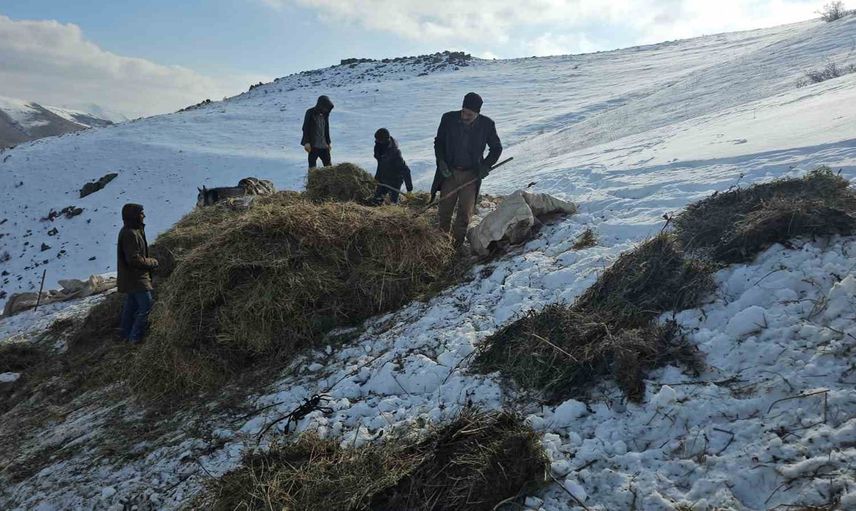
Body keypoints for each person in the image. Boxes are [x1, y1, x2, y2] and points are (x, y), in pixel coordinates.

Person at [431, 92, 502, 246]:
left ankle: (456, 245)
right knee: (444, 210)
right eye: (463, 112)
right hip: (449, 173)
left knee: (464, 214)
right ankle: (442, 243)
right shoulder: (448, 119)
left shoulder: (487, 125)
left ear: (477, 113)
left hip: (471, 175)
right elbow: (439, 142)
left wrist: (485, 166)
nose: (465, 116)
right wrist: (441, 162)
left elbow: (496, 148)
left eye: (469, 114)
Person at [117, 203, 159, 344]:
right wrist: (152, 262)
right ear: (134, 216)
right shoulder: (130, 234)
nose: (144, 216)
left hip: (132, 278)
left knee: (131, 307)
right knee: (147, 307)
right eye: (141, 213)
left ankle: (124, 335)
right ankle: (134, 338)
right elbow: (134, 259)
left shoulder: (132, 231)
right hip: (137, 279)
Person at [371, 128, 413, 205]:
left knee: (393, 203)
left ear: (384, 140)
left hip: (395, 181)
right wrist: (377, 178)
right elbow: (380, 164)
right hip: (383, 179)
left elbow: (406, 171)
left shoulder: (395, 154)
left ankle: (396, 202)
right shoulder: (378, 148)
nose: (376, 141)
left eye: (378, 140)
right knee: (376, 201)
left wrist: (409, 190)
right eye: (376, 139)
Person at [301, 95, 334, 168]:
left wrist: (328, 143)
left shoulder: (325, 115)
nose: (326, 110)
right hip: (313, 146)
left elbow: (326, 129)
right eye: (325, 107)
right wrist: (306, 142)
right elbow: (305, 128)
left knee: (329, 167)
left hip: (324, 146)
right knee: (312, 168)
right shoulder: (310, 112)